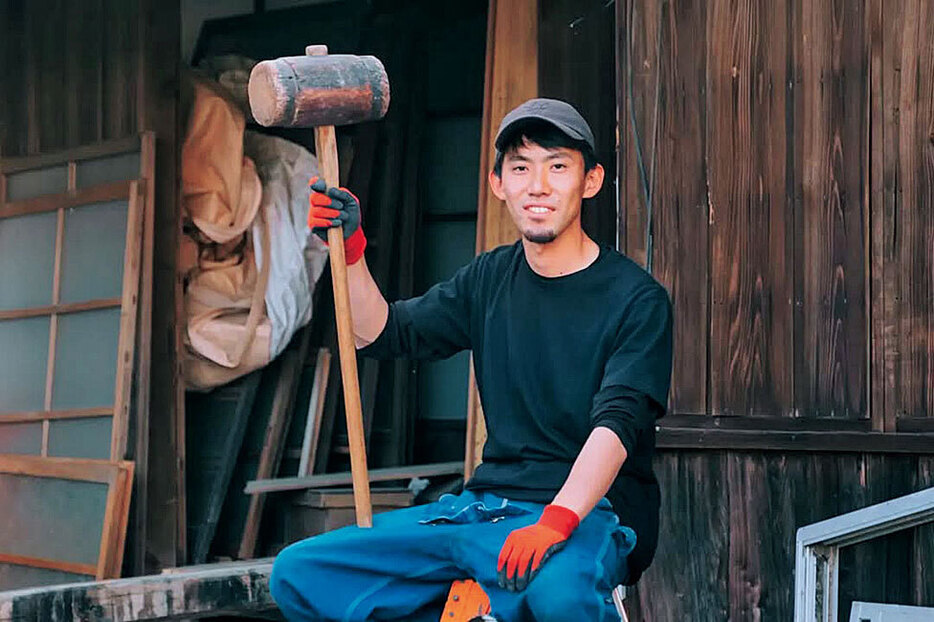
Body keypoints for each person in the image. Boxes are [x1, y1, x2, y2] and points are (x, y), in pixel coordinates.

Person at [270, 98, 673, 622]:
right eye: (521, 168)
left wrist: (555, 521)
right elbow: (383, 333)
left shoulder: (636, 299)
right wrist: (350, 250)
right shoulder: (489, 279)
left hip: (590, 512)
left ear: (590, 181)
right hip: (482, 512)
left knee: (558, 598)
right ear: (498, 183)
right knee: (300, 573)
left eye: (558, 167)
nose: (538, 186)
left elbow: (618, 427)